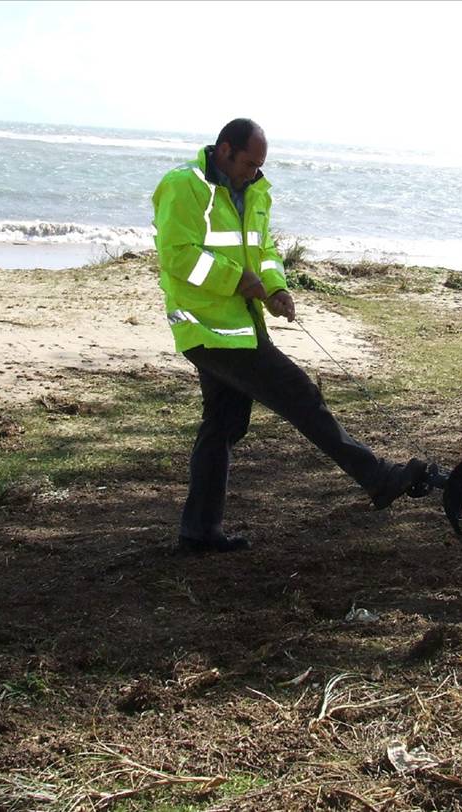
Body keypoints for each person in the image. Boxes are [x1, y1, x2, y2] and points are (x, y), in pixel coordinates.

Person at [152, 118, 427, 553]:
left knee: (224, 424)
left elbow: (264, 251)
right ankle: (379, 478)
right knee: (301, 395)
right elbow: (177, 256)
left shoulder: (256, 191)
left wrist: (275, 288)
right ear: (224, 150)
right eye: (248, 163)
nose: (254, 173)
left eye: (259, 166)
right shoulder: (183, 185)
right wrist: (235, 279)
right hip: (208, 328)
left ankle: (199, 532)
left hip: (241, 327)